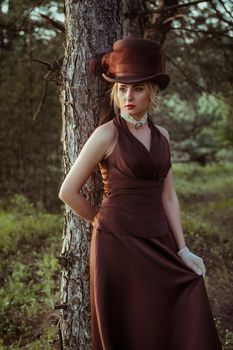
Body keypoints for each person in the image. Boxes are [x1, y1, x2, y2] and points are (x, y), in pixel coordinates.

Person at [58, 38, 222, 350]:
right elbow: (67, 191)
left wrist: (183, 249)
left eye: (137, 89)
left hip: (158, 239)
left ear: (152, 93)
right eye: (121, 89)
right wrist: (103, 221)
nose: (128, 96)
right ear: (114, 93)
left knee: (175, 306)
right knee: (128, 322)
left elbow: (168, 197)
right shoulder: (106, 134)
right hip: (115, 245)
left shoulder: (163, 136)